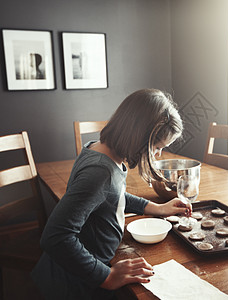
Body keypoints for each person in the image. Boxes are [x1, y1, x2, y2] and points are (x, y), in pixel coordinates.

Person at [31, 89, 190, 299]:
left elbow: (112, 197)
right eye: (157, 147)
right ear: (139, 136)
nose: (157, 154)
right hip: (77, 284)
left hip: (83, 271)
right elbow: (55, 236)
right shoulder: (100, 172)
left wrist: (157, 208)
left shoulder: (98, 150)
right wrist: (106, 276)